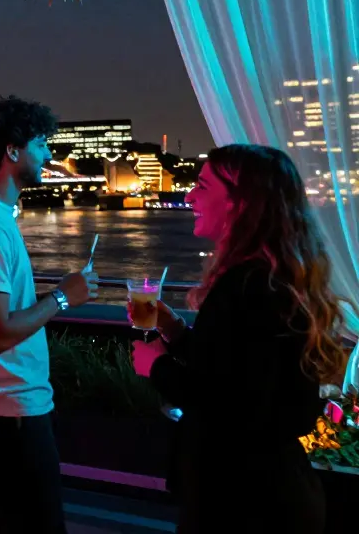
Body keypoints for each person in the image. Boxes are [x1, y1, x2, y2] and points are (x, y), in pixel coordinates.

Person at [131, 145, 347, 533]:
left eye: (201, 185)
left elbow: (233, 406)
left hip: (243, 500)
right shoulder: (270, 279)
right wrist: (176, 332)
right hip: (271, 487)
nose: (188, 196)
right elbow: (237, 368)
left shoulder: (248, 286)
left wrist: (157, 365)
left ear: (240, 203)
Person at [0, 97, 98, 534]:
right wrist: (63, 299)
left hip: (6, 409)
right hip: (4, 413)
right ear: (12, 150)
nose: (49, 155)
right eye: (42, 143)